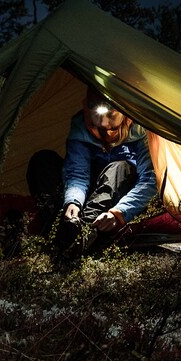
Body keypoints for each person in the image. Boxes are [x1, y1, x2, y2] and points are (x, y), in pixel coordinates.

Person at [42, 86, 159, 255]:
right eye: (97, 118)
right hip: (89, 192)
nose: (104, 126)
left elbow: (150, 179)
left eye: (110, 116)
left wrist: (120, 213)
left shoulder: (141, 131)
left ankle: (83, 233)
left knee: (120, 167)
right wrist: (73, 201)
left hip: (120, 196)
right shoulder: (81, 128)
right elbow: (77, 173)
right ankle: (62, 227)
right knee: (44, 160)